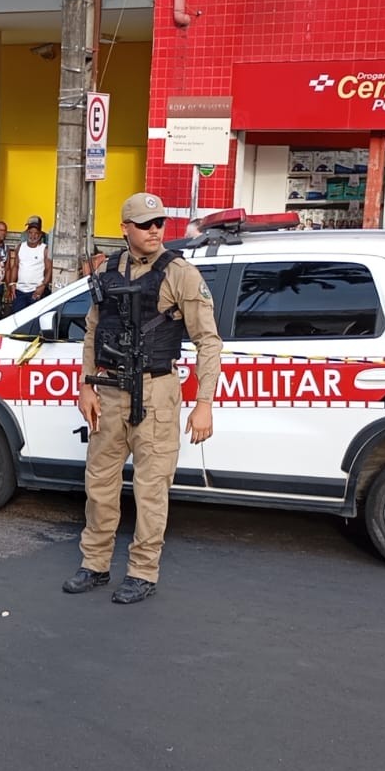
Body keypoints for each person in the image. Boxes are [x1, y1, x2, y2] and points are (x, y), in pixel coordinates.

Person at [64, 192, 223, 605]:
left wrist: (204, 402)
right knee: (99, 485)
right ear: (125, 229)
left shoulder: (180, 273)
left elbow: (209, 341)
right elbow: (93, 330)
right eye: (145, 224)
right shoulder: (109, 270)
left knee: (151, 490)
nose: (155, 231)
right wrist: (86, 384)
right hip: (111, 390)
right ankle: (95, 563)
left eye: (160, 224)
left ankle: (142, 571)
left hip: (156, 391)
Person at [11, 220, 52, 313]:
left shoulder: (44, 249)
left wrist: (43, 286)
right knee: (17, 319)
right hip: (20, 291)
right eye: (30, 232)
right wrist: (12, 283)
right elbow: (15, 266)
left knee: (34, 320)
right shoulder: (20, 247)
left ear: (40, 234)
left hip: (35, 291)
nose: (33, 235)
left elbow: (49, 269)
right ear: (27, 233)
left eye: (36, 233)